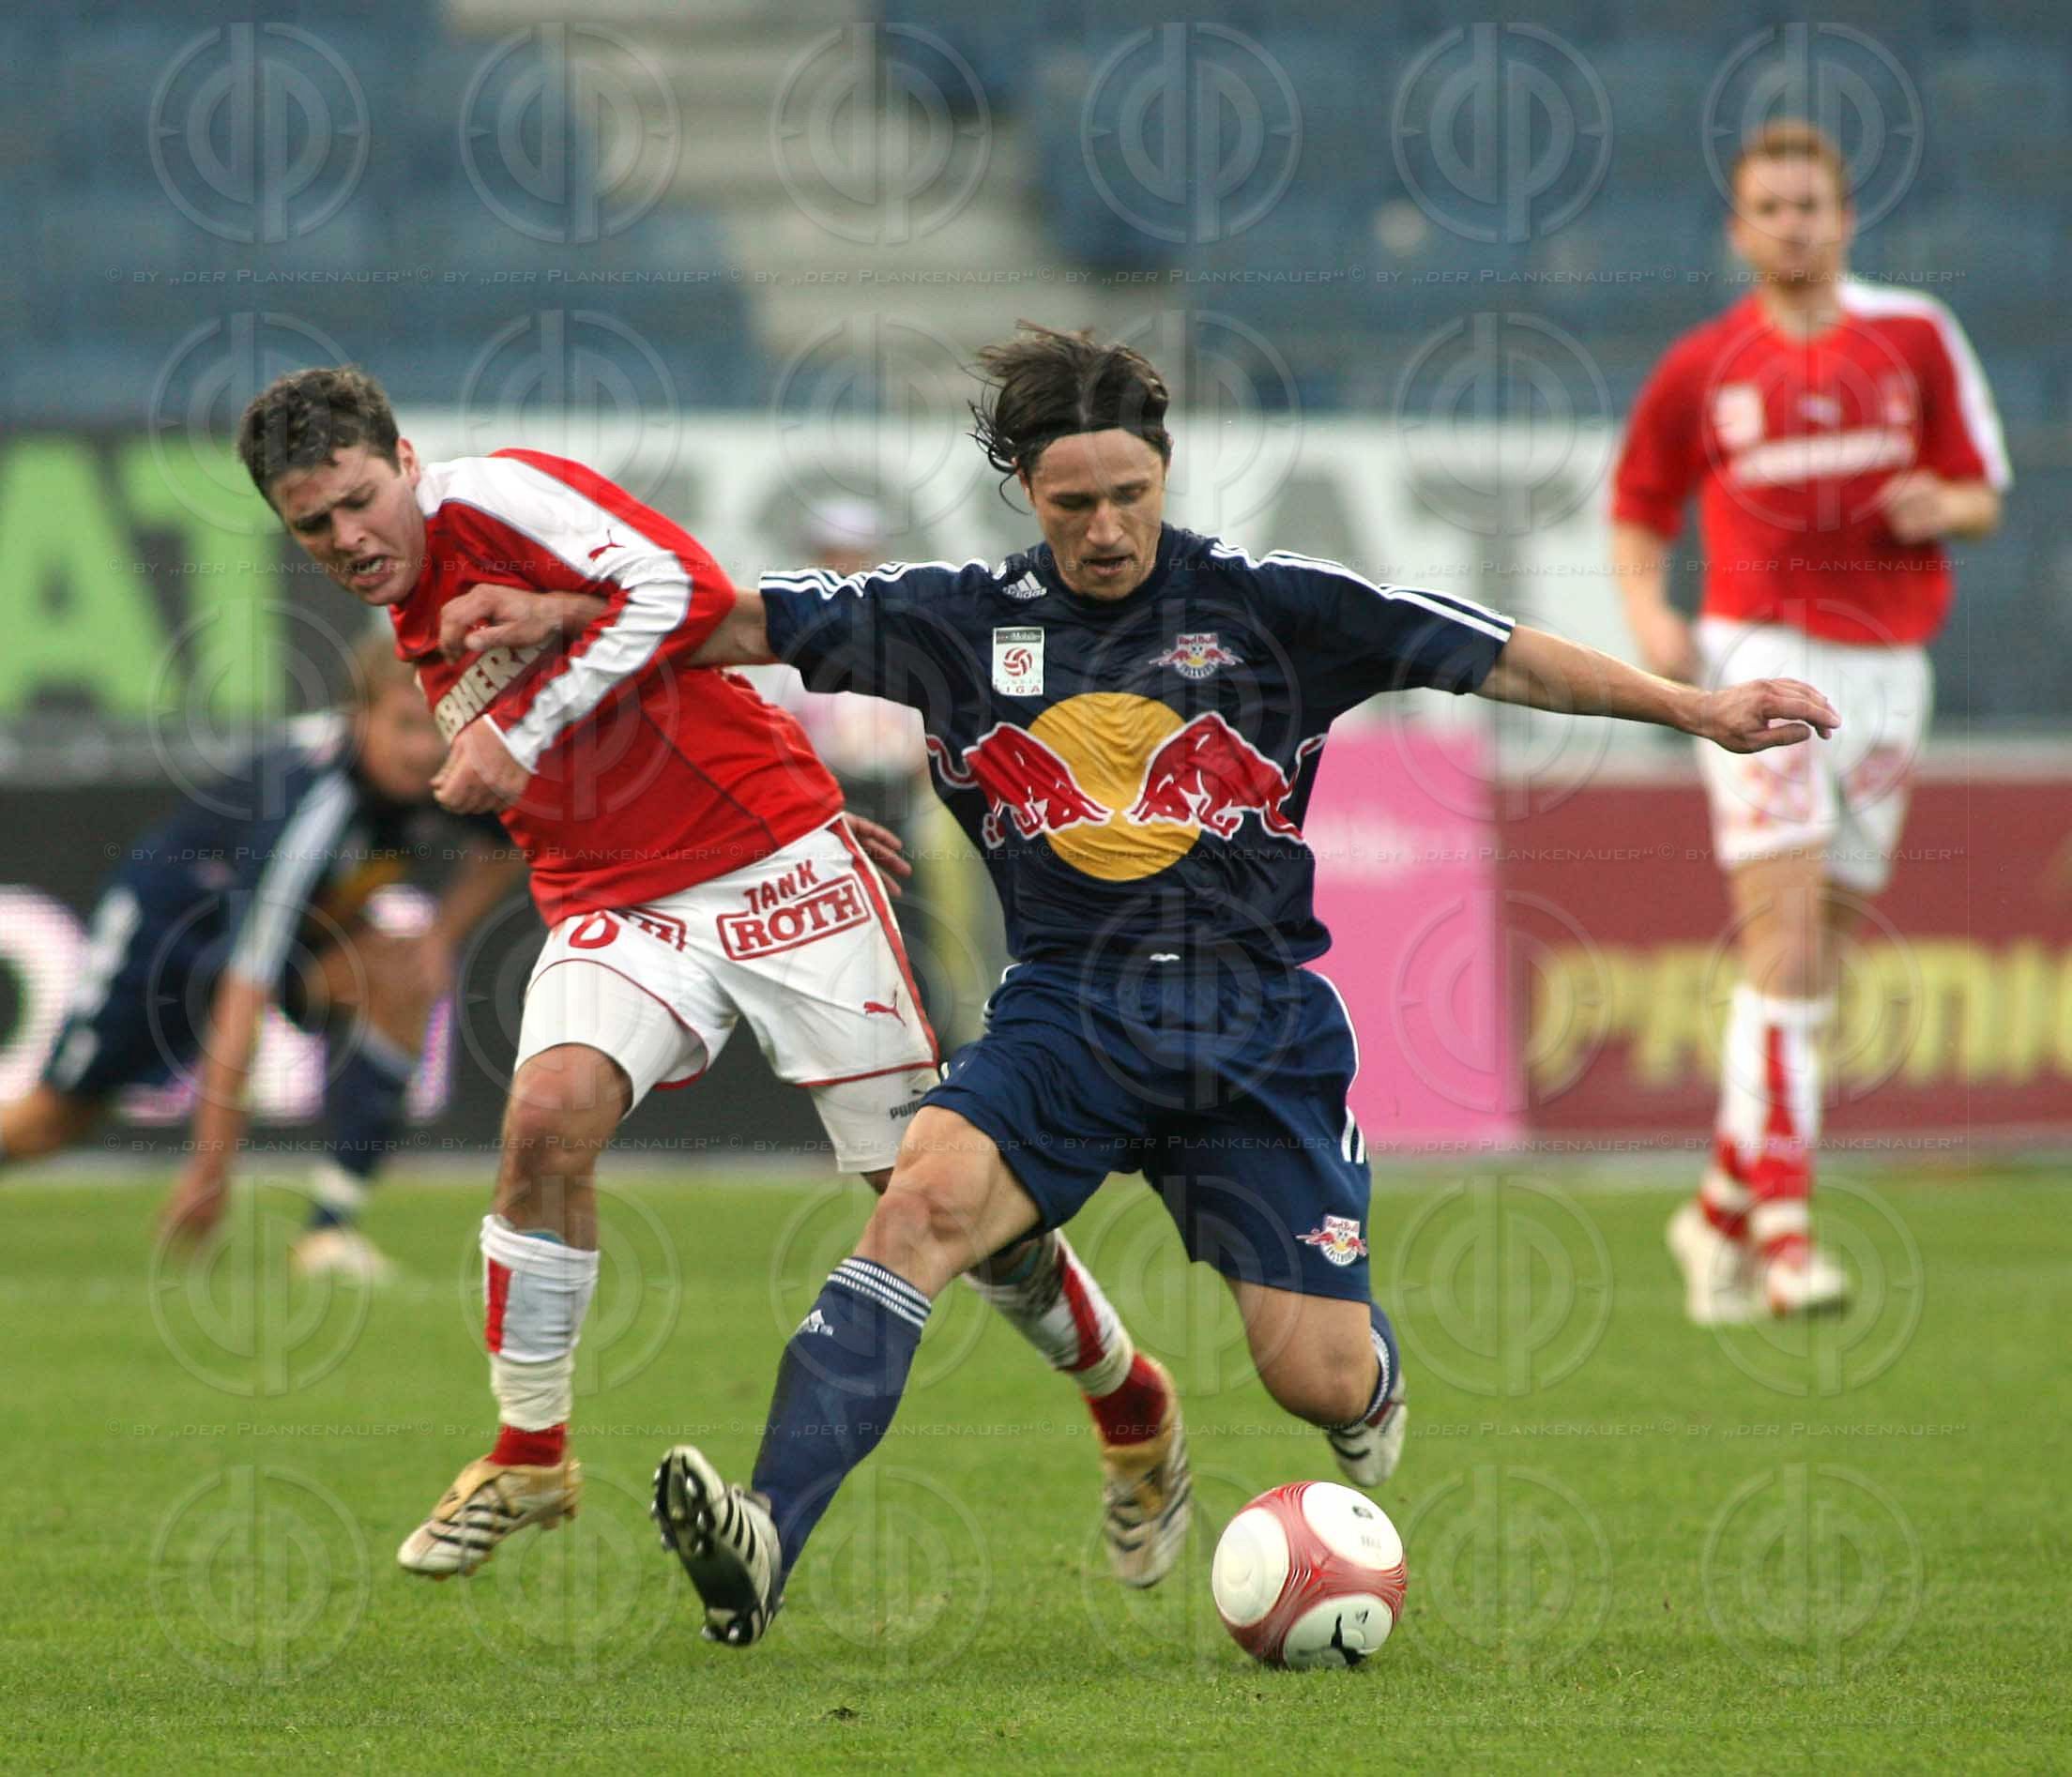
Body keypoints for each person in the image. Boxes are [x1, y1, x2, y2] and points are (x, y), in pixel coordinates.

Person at [443, 322, 1839, 1648]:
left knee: (1317, 1380)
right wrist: (572, 609)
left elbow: (1500, 651)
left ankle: (1371, 1375)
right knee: (920, 1203)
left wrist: (1697, 708)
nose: (1105, 530)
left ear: (1165, 473)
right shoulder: (947, 619)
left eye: (1128, 495)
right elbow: (729, 620)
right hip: (1068, 1016)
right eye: (1072, 505)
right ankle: (763, 1537)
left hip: (1257, 1029)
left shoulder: (1277, 605)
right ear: (1026, 494)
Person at [236, 366, 1189, 1588]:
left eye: (360, 502)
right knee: (543, 1126)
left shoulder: (503, 500)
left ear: (407, 461)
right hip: (613, 895)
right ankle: (529, 1450)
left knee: (942, 1210)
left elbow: (681, 593)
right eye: (311, 525)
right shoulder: (405, 593)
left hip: (776, 868)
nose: (345, 539)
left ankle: (1132, 1405)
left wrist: (520, 732)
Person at [1610, 120, 2008, 1324]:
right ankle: (1785, 1232)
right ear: (1739, 232)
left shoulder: (1918, 334)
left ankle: (1718, 1208)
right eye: (1769, 207)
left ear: (1843, 216)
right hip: (1764, 654)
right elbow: (1637, 507)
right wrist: (1651, 617)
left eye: (1809, 204)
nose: (1792, 223)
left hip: (1891, 666)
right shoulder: (1704, 367)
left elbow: (1983, 491)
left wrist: (1944, 500)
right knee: (1782, 934)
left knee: (1816, 952)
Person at [0, 636, 521, 1281]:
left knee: (400, 975)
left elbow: (507, 843)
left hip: (298, 929)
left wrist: (442, 935)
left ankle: (329, 1232)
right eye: (406, 726)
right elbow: (241, 993)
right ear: (358, 717)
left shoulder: (446, 770)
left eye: (439, 725)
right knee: (50, 1125)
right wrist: (210, 1171)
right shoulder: (309, 804)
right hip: (168, 934)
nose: (425, 749)